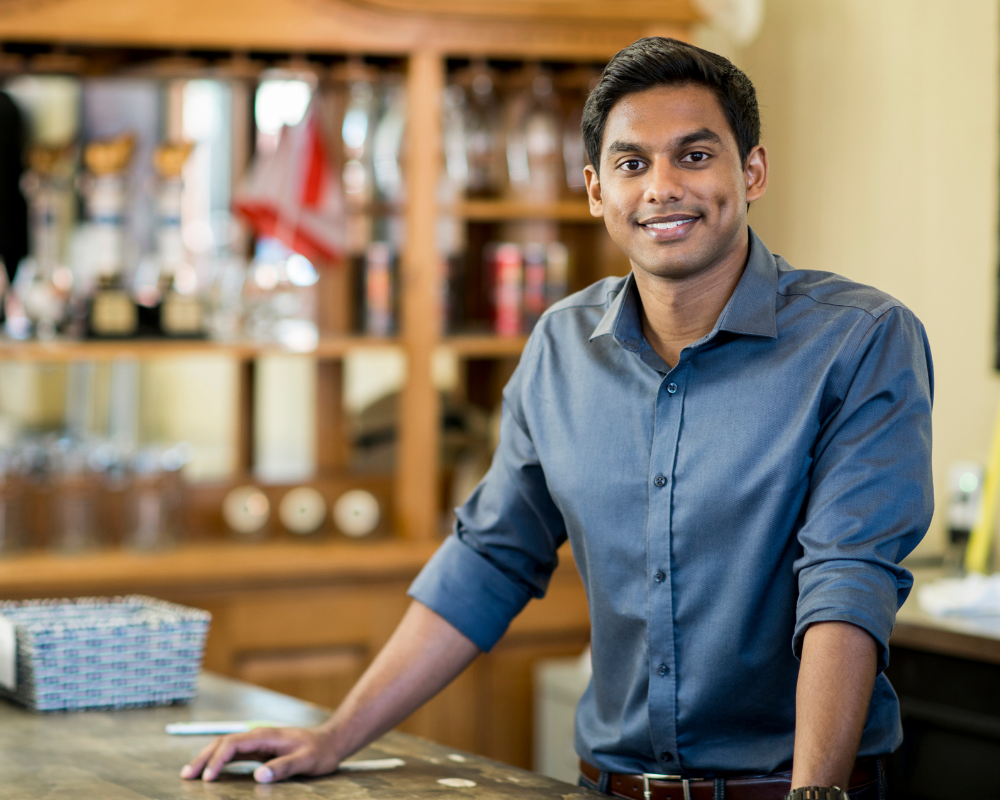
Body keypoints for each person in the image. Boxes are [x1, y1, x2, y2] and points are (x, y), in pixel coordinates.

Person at [182, 37, 932, 800]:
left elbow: (846, 579)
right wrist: (332, 735)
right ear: (595, 189)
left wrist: (814, 793)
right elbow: (491, 558)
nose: (662, 187)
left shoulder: (861, 339)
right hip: (607, 785)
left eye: (695, 156)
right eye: (632, 163)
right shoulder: (561, 346)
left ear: (753, 172)